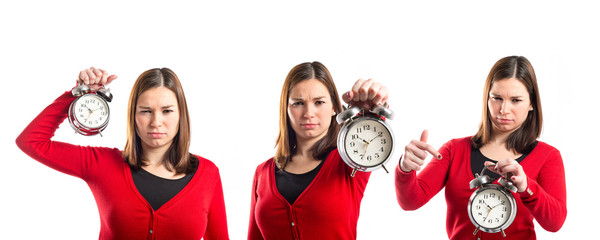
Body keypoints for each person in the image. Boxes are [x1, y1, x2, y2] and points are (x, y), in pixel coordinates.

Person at [16, 67, 229, 240]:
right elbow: (31, 141)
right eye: (145, 111)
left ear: (181, 115)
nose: (156, 122)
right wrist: (77, 92)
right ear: (132, 115)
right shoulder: (101, 163)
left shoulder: (208, 173)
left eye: (167, 111)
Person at [395, 56, 567, 239]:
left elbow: (555, 223)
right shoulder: (454, 150)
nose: (504, 110)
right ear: (487, 98)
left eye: (516, 100)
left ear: (531, 103)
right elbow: (410, 202)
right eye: (497, 98)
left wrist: (526, 186)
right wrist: (406, 168)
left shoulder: (548, 156)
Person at [247, 61, 389, 239]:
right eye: (298, 103)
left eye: (319, 102)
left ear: (334, 108)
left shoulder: (350, 159)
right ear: (286, 108)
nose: (308, 113)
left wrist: (370, 109)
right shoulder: (262, 173)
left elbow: (373, 133)